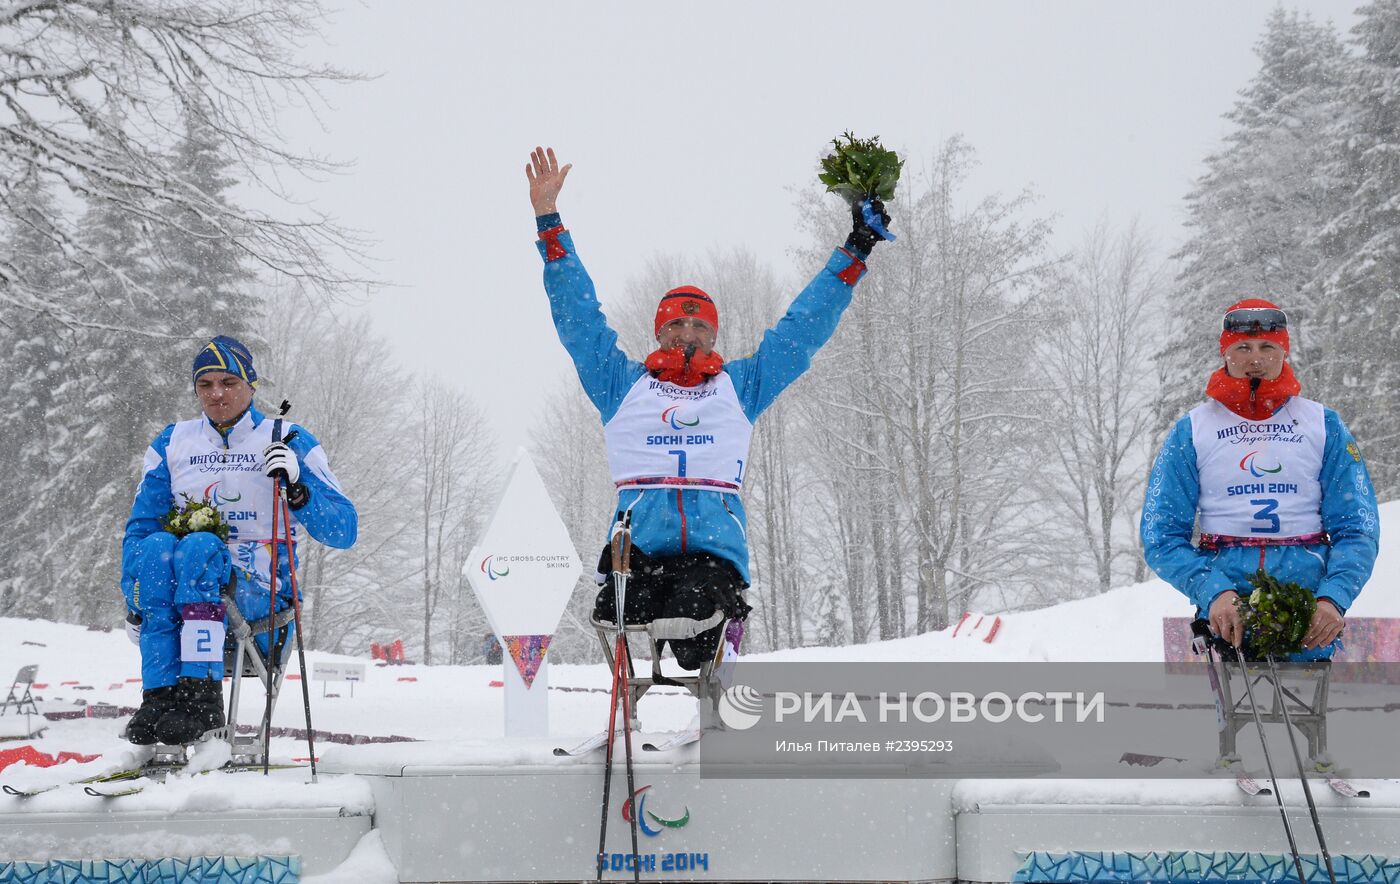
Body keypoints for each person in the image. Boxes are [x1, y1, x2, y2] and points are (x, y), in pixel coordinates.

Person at [525, 146, 889, 670]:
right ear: (659, 330)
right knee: (618, 612)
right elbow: (578, 320)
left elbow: (801, 330)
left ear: (713, 333)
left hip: (712, 554)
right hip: (639, 553)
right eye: (676, 324)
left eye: (698, 326)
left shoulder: (740, 387)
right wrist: (549, 222)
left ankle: (723, 660)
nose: (687, 333)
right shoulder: (620, 385)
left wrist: (854, 253)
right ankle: (627, 708)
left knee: (694, 637)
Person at [120, 336, 358, 745]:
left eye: (228, 382)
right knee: (160, 548)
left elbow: (344, 530)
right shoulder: (173, 442)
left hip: (258, 598)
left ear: (251, 384)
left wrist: (300, 488)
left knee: (196, 550)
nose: (216, 394)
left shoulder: (288, 438)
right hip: (181, 593)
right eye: (205, 384)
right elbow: (139, 532)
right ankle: (157, 697)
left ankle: (201, 697)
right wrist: (135, 595)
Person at [1141, 299, 1380, 661]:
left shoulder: (1323, 424)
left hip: (1309, 610)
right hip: (1226, 610)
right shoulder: (1191, 431)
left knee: (1305, 716)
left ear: (1283, 351)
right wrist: (1212, 590)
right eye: (1243, 348)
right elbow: (1161, 536)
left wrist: (1333, 596)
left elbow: (1357, 528)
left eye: (1268, 346)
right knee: (1239, 717)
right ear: (1225, 353)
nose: (1256, 359)